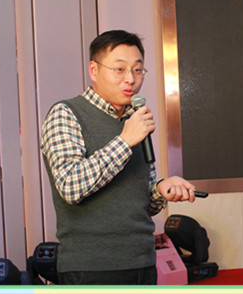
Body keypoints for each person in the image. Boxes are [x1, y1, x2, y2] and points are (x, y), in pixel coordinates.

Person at [40, 30, 197, 285]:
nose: (131, 79)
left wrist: (161, 189)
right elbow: (70, 186)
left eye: (137, 70)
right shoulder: (66, 114)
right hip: (92, 269)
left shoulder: (134, 119)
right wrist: (125, 140)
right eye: (119, 69)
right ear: (94, 70)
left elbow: (143, 203)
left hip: (143, 262)